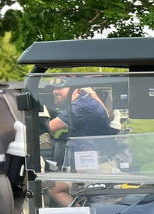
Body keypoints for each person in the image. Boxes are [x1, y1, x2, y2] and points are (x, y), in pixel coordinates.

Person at [44, 77, 112, 205]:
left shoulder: (79, 107)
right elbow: (107, 114)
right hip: (94, 161)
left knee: (52, 188)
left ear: (74, 90)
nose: (55, 91)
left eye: (60, 88)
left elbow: (48, 129)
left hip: (90, 167)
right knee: (57, 174)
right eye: (54, 88)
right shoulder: (88, 100)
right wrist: (92, 93)